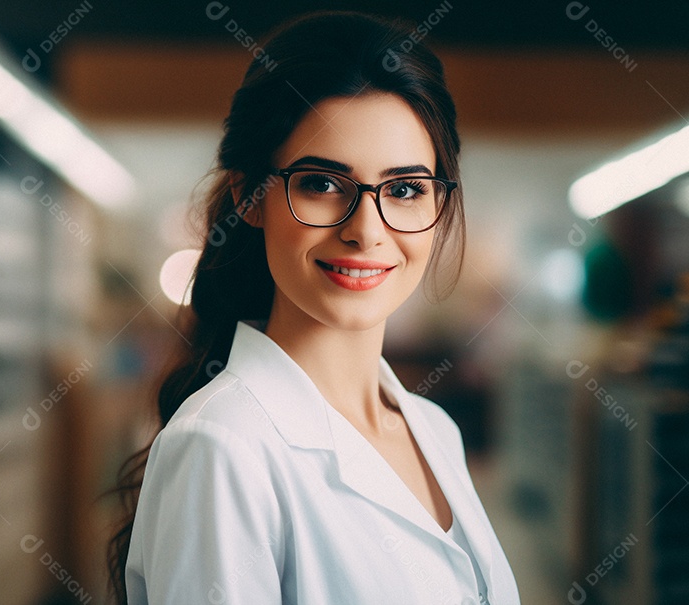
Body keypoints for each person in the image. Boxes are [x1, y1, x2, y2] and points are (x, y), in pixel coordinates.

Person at [106, 10, 521, 605]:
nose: (367, 231)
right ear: (250, 196)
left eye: (404, 189)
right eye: (322, 184)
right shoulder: (222, 447)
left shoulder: (435, 432)